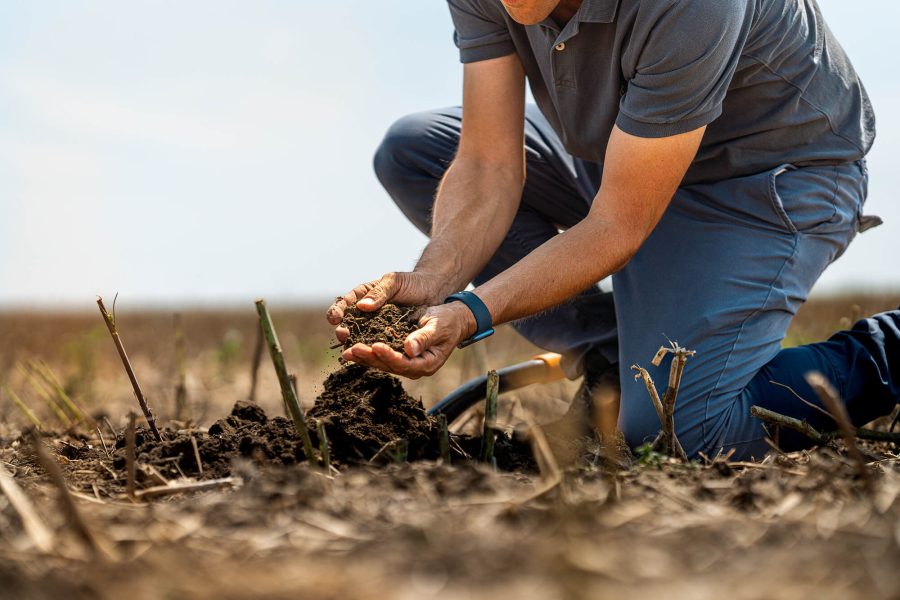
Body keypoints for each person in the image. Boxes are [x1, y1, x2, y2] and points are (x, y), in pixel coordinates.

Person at [327, 0, 899, 460]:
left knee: (682, 430)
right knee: (415, 152)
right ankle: (614, 362)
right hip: (618, 151)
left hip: (761, 178)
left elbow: (618, 223)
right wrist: (432, 280)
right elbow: (488, 165)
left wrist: (471, 313)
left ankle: (892, 350)